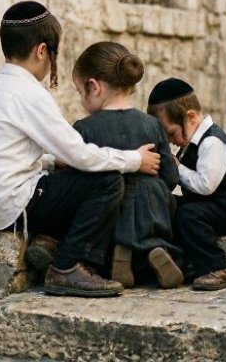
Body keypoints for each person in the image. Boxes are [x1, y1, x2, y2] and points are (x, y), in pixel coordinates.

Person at [0, 1, 161, 298]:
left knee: (70, 174)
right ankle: (67, 266)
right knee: (107, 181)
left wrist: (52, 163)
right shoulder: (30, 94)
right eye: (53, 54)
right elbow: (81, 154)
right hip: (13, 208)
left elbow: (5, 154)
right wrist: (134, 159)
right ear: (42, 51)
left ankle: (49, 242)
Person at [71, 41, 183, 289]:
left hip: (112, 214)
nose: (81, 99)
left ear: (93, 86)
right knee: (165, 204)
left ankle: (119, 254)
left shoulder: (84, 128)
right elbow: (171, 177)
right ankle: (156, 248)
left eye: (80, 92)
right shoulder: (151, 125)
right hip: (153, 210)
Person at [147, 78, 226, 291]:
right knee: (168, 204)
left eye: (172, 134)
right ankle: (179, 260)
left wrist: (177, 167)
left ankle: (216, 267)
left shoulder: (213, 142)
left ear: (190, 117)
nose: (171, 141)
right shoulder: (191, 141)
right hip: (206, 205)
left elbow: (205, 185)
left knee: (189, 216)